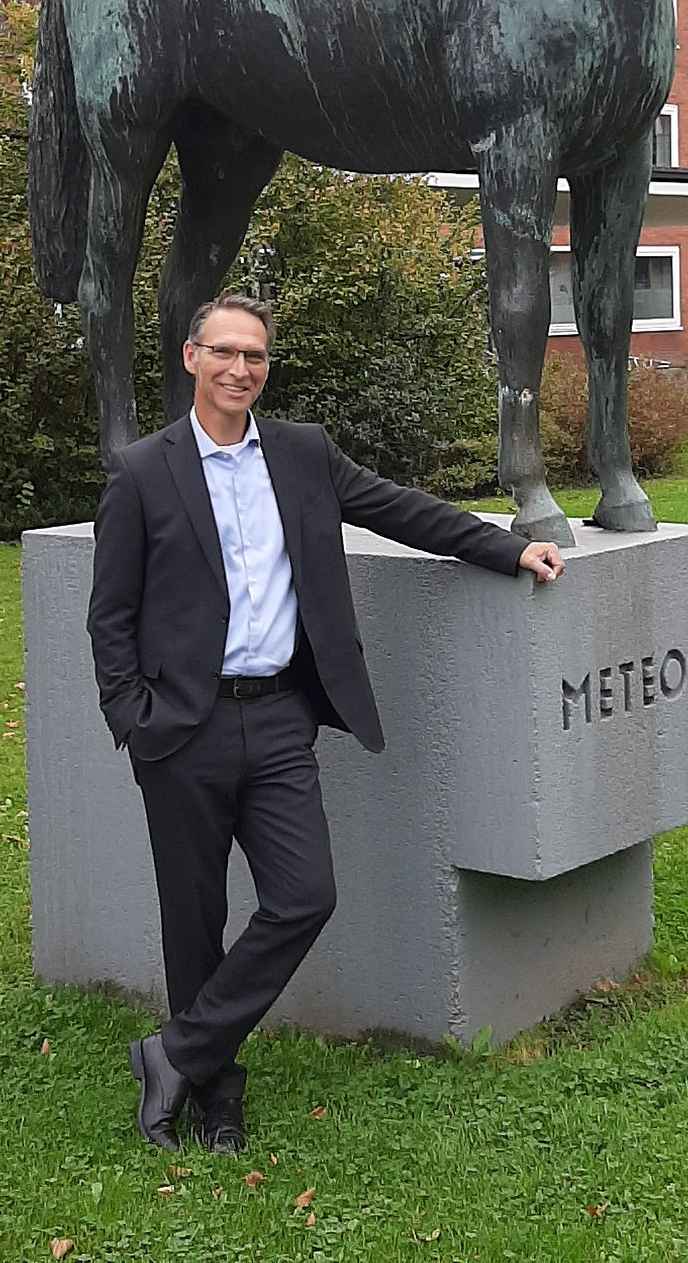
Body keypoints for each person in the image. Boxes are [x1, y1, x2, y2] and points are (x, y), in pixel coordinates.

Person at [87, 293, 564, 1155]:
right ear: (190, 358)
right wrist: (133, 717)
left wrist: (506, 547)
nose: (240, 370)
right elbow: (110, 614)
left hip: (278, 719)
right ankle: (214, 1096)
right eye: (224, 353)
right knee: (191, 921)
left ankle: (176, 1055)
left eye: (256, 357)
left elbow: (402, 510)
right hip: (182, 730)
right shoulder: (143, 471)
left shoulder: (303, 455)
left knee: (305, 896)